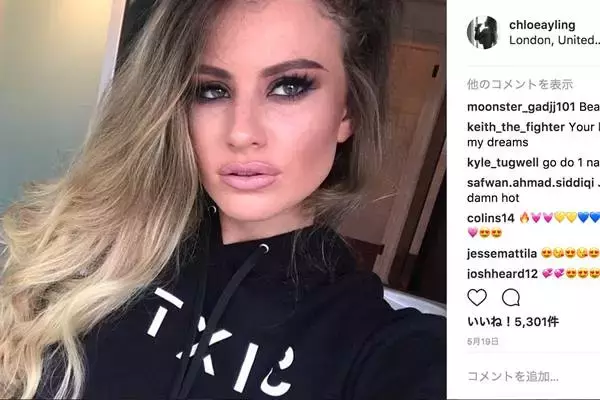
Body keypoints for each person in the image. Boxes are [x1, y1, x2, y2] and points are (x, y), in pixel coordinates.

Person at [0, 0, 446, 398]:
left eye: (289, 86)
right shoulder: (103, 240)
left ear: (347, 111)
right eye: (211, 90)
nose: (241, 132)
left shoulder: (371, 344)